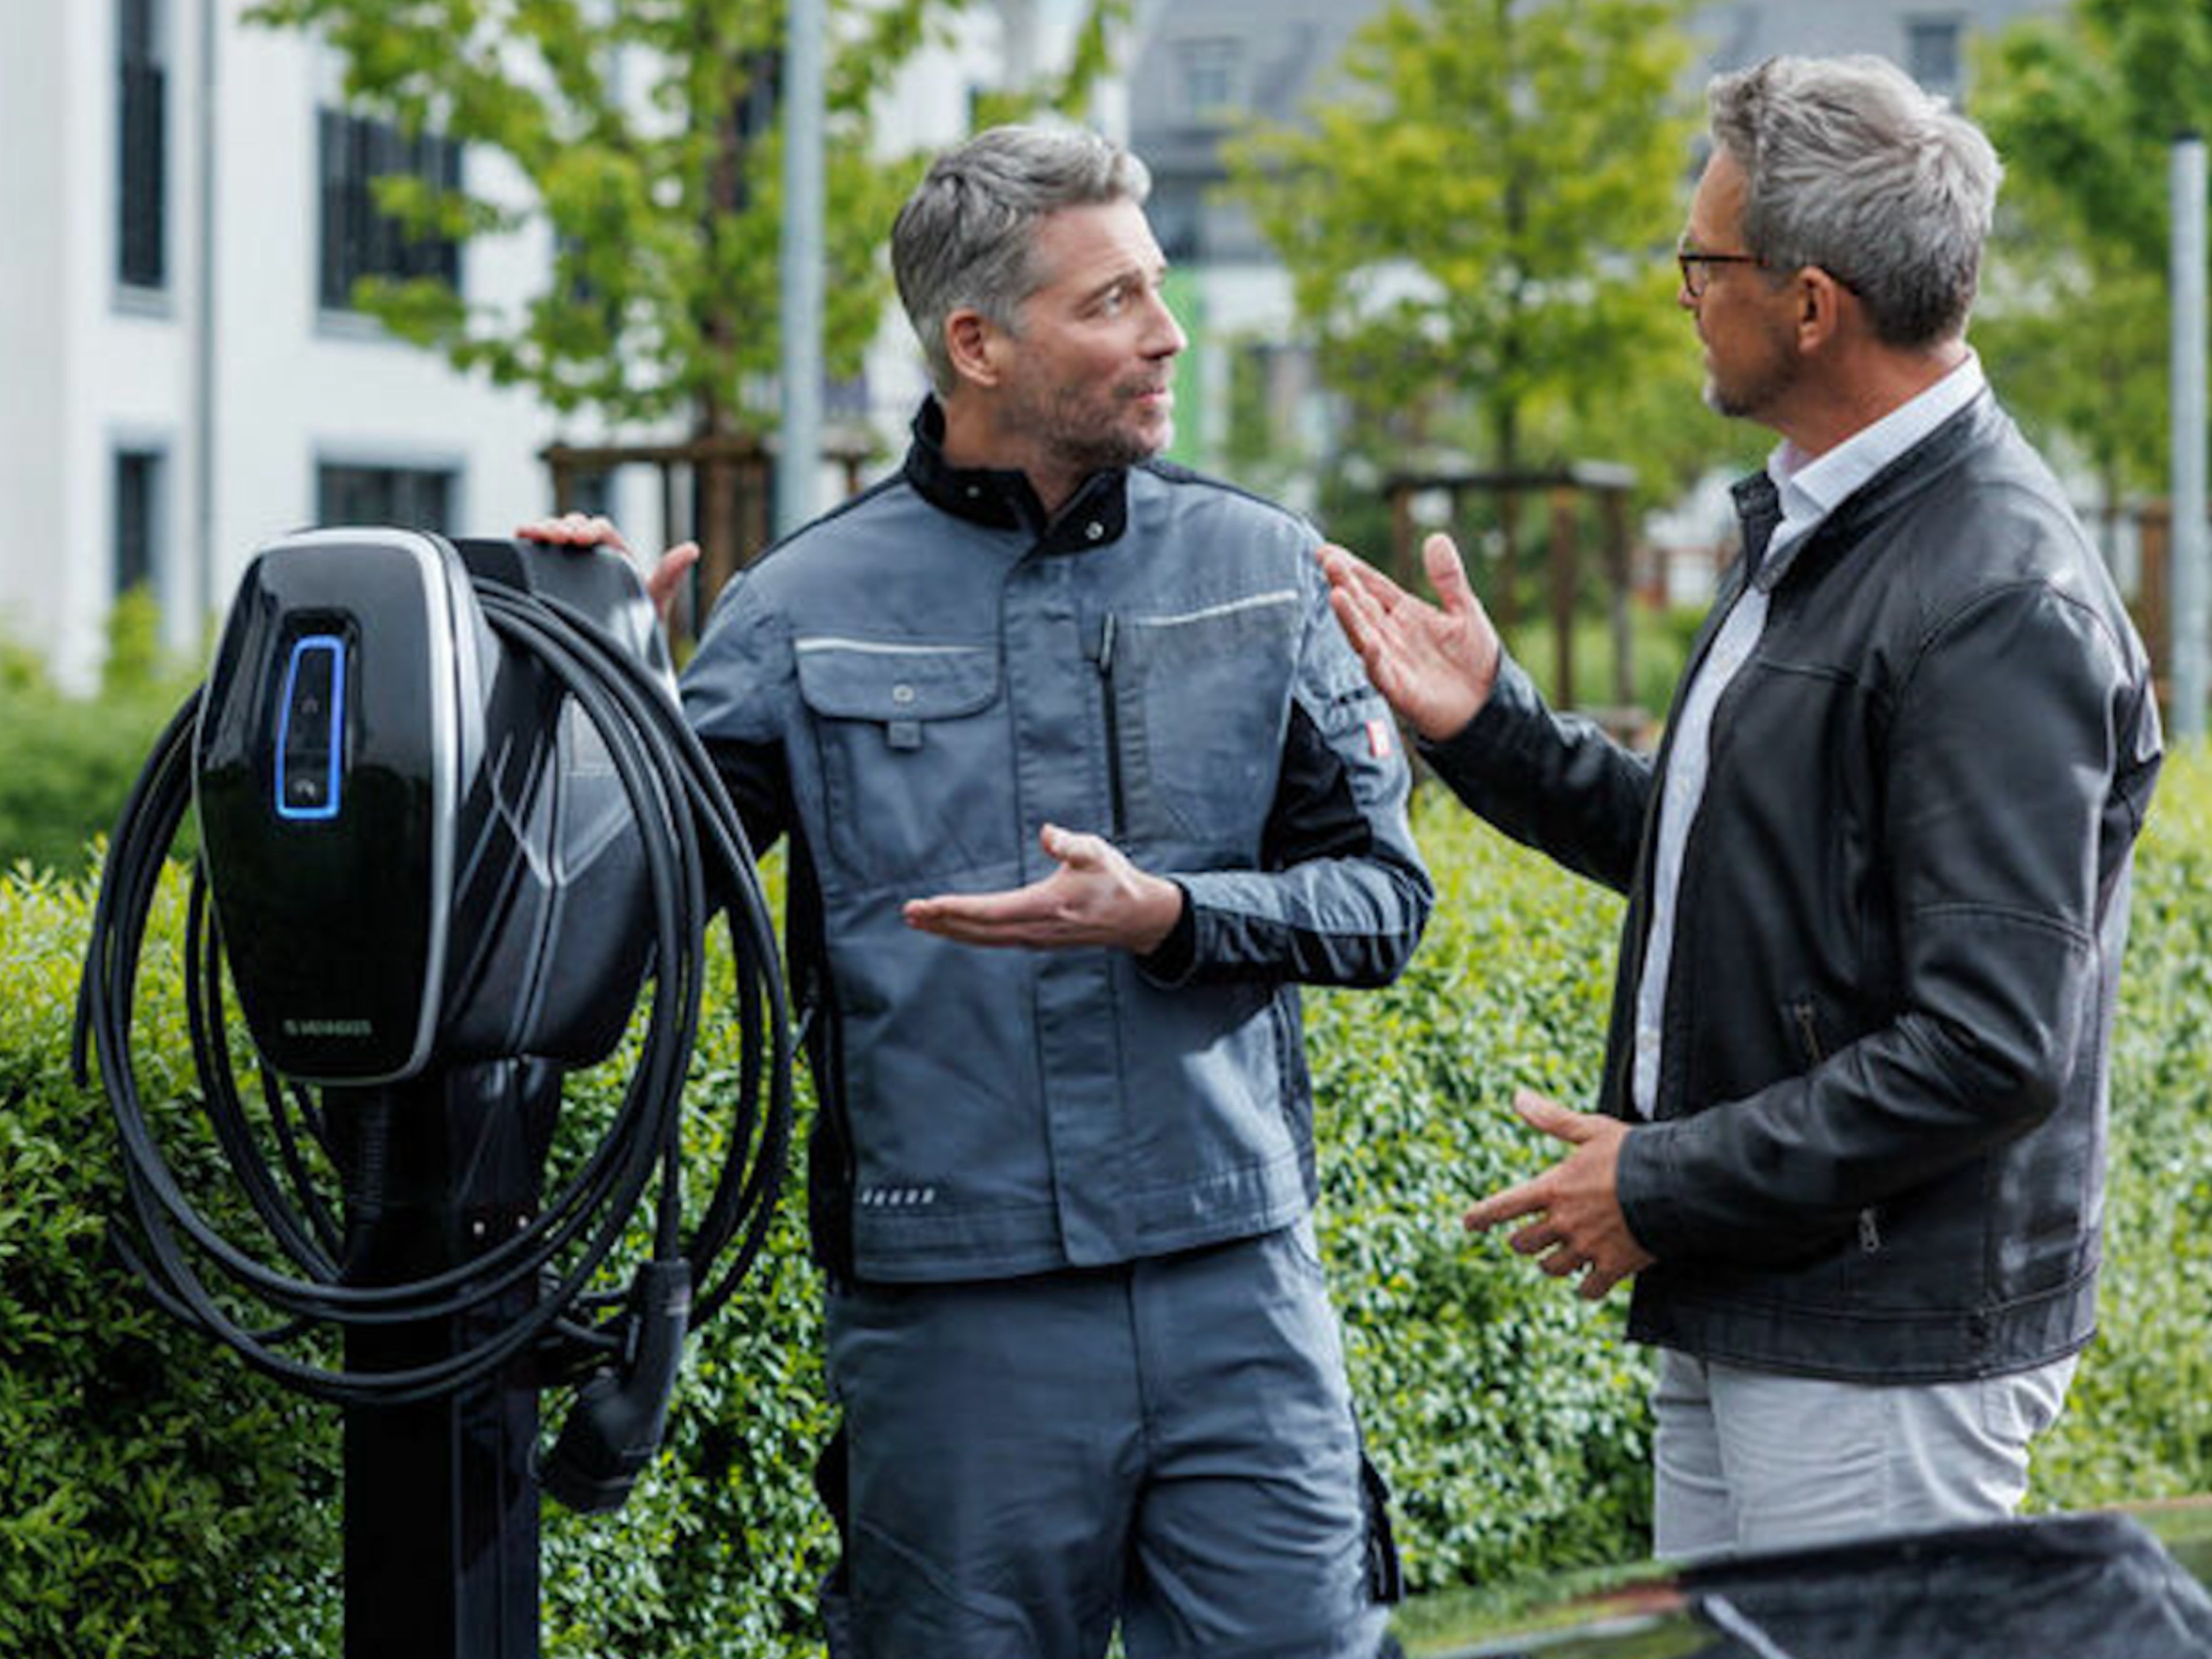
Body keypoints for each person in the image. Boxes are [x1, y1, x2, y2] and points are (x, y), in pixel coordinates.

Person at [529, 124, 1429, 1658]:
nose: (1168, 333)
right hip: (953, 1317)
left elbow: (1380, 902)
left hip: (1236, 1293)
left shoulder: (1264, 566)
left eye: (1157, 287)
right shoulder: (799, 609)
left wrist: (1174, 916)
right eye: (1113, 300)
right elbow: (599, 942)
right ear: (978, 344)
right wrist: (583, 690)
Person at [1320, 54, 2162, 1562]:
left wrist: (1659, 1180)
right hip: (1770, 1297)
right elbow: (1742, 860)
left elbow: (1988, 1047)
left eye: (1701, 262)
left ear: (1811, 304)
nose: (1682, 293)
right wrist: (1493, 728)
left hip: (1877, 1343)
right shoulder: (1831, 520)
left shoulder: (1992, 598)